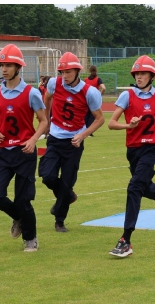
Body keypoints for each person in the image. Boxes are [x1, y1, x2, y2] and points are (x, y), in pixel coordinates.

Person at [106, 56, 155, 258]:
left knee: (134, 187)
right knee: (142, 186)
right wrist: (128, 125)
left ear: (152, 76)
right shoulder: (127, 96)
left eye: (143, 73)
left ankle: (126, 240)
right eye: (137, 73)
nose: (139, 77)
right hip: (133, 150)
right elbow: (111, 123)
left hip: (153, 148)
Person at [0, 44, 48, 253]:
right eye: (2, 65)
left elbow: (43, 121)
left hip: (25, 153)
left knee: (23, 200)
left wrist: (33, 139)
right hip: (4, 153)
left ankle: (30, 239)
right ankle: (18, 218)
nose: (4, 69)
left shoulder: (31, 93)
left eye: (9, 65)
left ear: (18, 67)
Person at [40, 52, 103, 232]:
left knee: (67, 181)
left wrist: (83, 135)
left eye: (68, 72)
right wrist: (47, 120)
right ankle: (67, 196)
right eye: (62, 72)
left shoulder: (89, 92)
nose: (64, 76)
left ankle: (59, 221)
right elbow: (47, 98)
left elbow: (99, 119)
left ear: (77, 71)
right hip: (55, 137)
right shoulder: (54, 83)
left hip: (74, 143)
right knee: (47, 175)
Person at [83, 64, 106, 129]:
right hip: (94, 99)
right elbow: (103, 88)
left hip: (86, 99)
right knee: (93, 116)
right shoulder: (98, 79)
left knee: (86, 115)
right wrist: (99, 94)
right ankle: (89, 131)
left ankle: (84, 129)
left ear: (89, 71)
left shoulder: (86, 80)